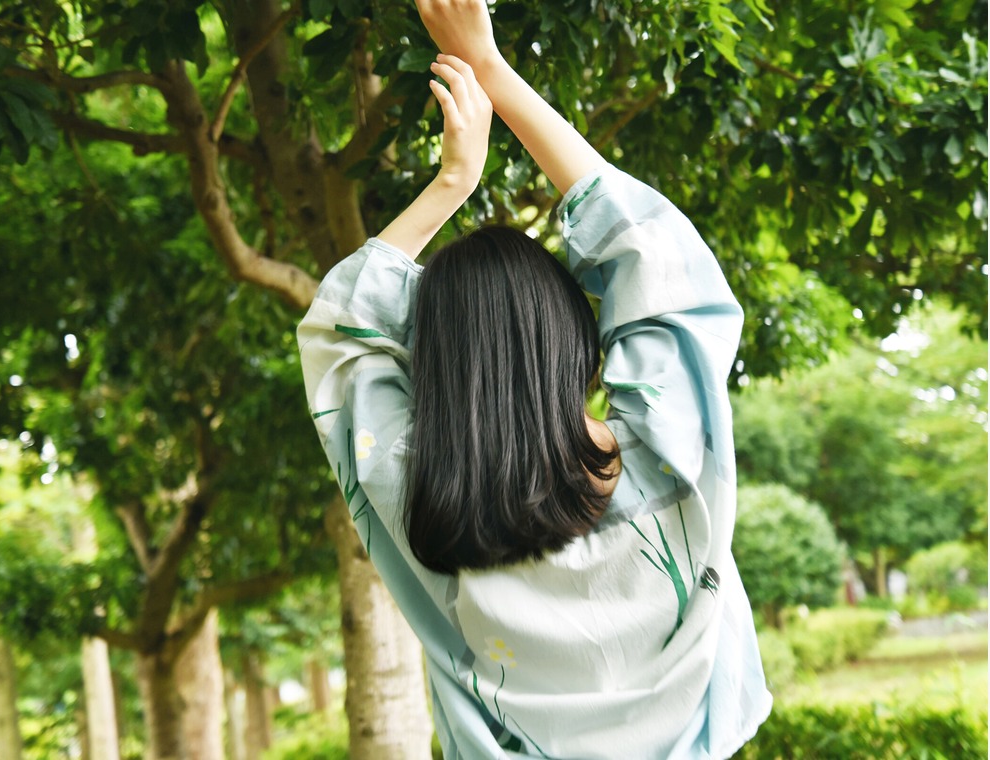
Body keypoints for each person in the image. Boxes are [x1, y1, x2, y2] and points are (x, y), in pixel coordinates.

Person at [298, 1, 772, 756]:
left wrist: (452, 182)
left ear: (436, 374)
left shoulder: (421, 509)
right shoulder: (673, 466)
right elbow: (651, 252)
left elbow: (339, 332)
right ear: (580, 343)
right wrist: (492, 68)